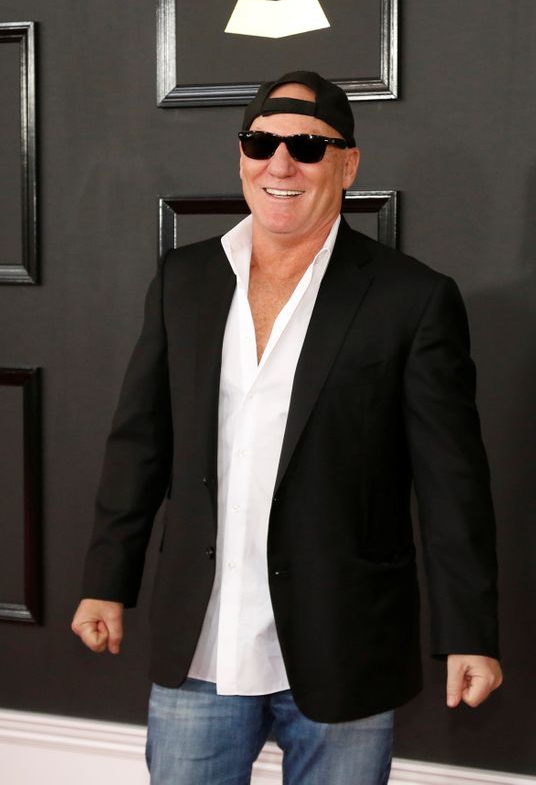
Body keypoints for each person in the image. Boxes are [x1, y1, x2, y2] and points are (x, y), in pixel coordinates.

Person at [72, 71, 502, 784]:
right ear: (241, 153)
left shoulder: (413, 299)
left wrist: (469, 635)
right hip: (201, 649)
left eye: (306, 145)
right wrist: (105, 580)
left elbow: (452, 483)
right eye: (261, 142)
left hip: (346, 646)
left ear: (348, 163)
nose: (280, 163)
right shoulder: (185, 280)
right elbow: (139, 445)